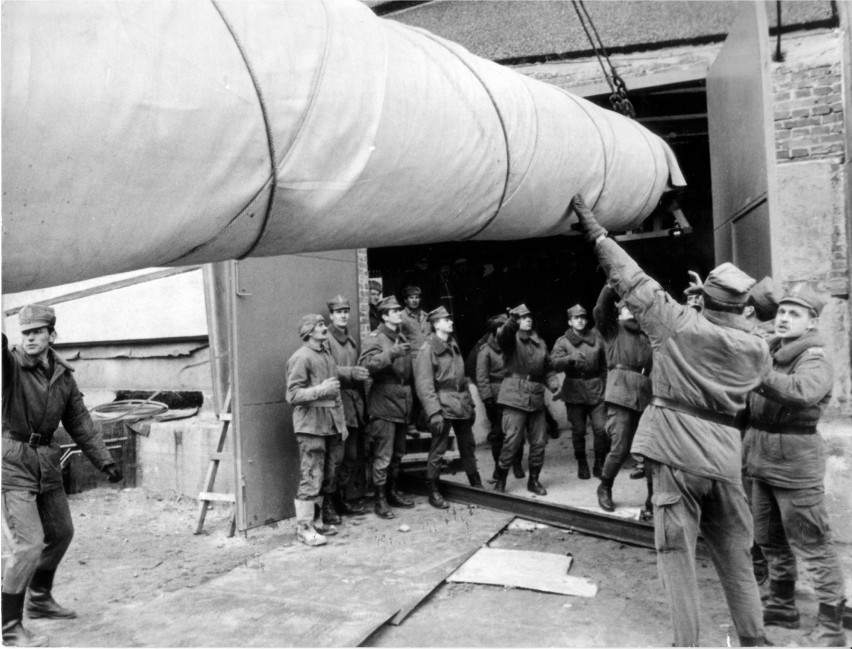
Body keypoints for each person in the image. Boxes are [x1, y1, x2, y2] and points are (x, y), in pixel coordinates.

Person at [572, 195, 771, 647]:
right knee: (736, 561)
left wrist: (596, 232)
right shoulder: (757, 347)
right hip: (724, 462)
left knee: (675, 556)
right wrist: (713, 302)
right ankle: (755, 640)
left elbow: (630, 276)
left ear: (705, 300)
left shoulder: (677, 323)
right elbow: (746, 323)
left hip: (676, 455)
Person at [2, 305, 122, 647]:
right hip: (12, 462)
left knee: (61, 532)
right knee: (28, 544)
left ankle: (39, 599)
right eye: (25, 333)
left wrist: (105, 461)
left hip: (47, 462)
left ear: (51, 335)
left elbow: (80, 421)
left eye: (37, 332)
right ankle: (9, 627)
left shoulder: (62, 376)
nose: (29, 338)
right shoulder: (10, 367)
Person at [743, 286, 847, 647]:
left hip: (795, 463)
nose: (784, 318)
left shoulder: (814, 357)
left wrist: (757, 374)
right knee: (770, 539)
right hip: (760, 458)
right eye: (782, 312)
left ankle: (832, 624)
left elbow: (802, 391)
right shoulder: (773, 350)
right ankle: (782, 604)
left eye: (795, 314)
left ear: (812, 321)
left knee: (812, 543)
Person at [285, 314, 369, 546]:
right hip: (310, 425)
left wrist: (341, 425)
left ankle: (318, 521)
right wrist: (320, 389)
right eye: (321, 325)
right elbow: (292, 395)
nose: (325, 328)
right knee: (311, 475)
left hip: (331, 424)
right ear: (309, 331)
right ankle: (304, 528)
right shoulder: (300, 358)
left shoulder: (327, 356)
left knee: (328, 475)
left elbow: (336, 394)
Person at [592, 285, 653, 513]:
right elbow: (600, 310)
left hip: (646, 397)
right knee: (620, 447)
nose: (631, 311)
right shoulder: (613, 331)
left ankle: (652, 499)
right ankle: (605, 486)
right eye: (626, 308)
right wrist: (609, 287)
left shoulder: (647, 335)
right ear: (618, 313)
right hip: (620, 395)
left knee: (649, 450)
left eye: (634, 308)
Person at [414, 307, 482, 508]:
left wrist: (470, 404)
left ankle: (475, 482)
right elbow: (424, 385)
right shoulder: (427, 349)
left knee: (468, 445)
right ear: (436, 325)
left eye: (450, 319)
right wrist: (434, 412)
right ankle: (433, 490)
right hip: (442, 405)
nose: (451, 322)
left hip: (460, 404)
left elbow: (462, 379)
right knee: (439, 449)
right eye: (446, 320)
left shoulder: (453, 345)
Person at [358, 296, 416, 519]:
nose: (398, 312)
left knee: (398, 454)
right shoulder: (376, 338)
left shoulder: (399, 336)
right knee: (383, 456)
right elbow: (365, 366)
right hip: (383, 405)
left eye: (399, 309)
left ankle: (392, 492)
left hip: (402, 405)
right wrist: (390, 354)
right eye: (394, 310)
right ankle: (380, 499)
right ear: (383, 316)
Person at [493, 304, 560, 495]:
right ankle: (501, 479)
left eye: (529, 316)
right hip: (514, 396)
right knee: (512, 441)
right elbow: (504, 334)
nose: (527, 319)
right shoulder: (509, 339)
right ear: (516, 321)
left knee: (539, 442)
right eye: (522, 317)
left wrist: (554, 384)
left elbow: (547, 368)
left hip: (536, 398)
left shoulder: (540, 343)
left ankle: (534, 481)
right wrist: (512, 320)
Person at [551, 304, 608, 480]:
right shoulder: (563, 341)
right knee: (579, 430)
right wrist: (569, 360)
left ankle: (599, 462)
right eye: (576, 318)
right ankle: (582, 462)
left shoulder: (597, 339)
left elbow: (605, 366)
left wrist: (606, 387)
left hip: (596, 389)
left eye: (583, 317)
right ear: (570, 321)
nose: (580, 320)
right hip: (574, 391)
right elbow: (552, 363)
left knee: (601, 429)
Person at [325, 295, 368, 519]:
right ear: (331, 315)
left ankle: (340, 498)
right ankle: (328, 504)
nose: (343, 315)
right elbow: (326, 368)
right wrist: (350, 373)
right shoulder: (326, 339)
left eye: (346, 311)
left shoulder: (350, 340)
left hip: (353, 406)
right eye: (339, 311)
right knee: (336, 458)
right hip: (335, 406)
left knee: (350, 456)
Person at [476, 314, 525, 481]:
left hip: (515, 391)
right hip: (496, 396)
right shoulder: (486, 350)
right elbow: (481, 377)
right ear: (495, 330)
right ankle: (498, 465)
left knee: (517, 430)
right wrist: (487, 399)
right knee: (497, 433)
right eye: (501, 327)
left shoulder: (515, 344)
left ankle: (517, 463)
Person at [399, 285, 432, 357]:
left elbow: (430, 336)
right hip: (411, 359)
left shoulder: (426, 316)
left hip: (427, 357)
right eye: (411, 297)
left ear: (420, 299)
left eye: (417, 297)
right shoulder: (400, 317)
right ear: (405, 300)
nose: (414, 300)